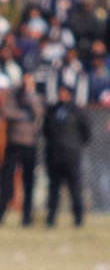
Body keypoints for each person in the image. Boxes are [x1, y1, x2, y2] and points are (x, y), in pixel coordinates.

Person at [0, 73, 44, 226]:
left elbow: (39, 113)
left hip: (29, 144)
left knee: (29, 182)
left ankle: (27, 218)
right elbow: (5, 111)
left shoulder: (37, 96)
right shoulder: (13, 95)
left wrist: (30, 98)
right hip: (13, 143)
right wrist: (23, 115)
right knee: (6, 181)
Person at [43, 83, 91, 227]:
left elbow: (86, 133)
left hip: (71, 155)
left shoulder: (77, 112)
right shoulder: (52, 111)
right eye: (60, 92)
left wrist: (74, 145)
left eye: (65, 92)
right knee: (53, 189)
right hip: (54, 155)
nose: (62, 95)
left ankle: (78, 219)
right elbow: (46, 131)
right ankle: (51, 219)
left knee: (75, 189)